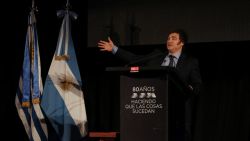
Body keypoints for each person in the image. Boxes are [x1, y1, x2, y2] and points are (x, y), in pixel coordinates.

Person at [98, 29, 202, 141]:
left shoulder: (190, 62)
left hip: (179, 111)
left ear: (181, 43)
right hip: (155, 108)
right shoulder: (157, 56)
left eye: (173, 38)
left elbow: (197, 84)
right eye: (168, 38)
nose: (169, 40)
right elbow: (135, 59)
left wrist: (190, 88)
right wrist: (114, 49)